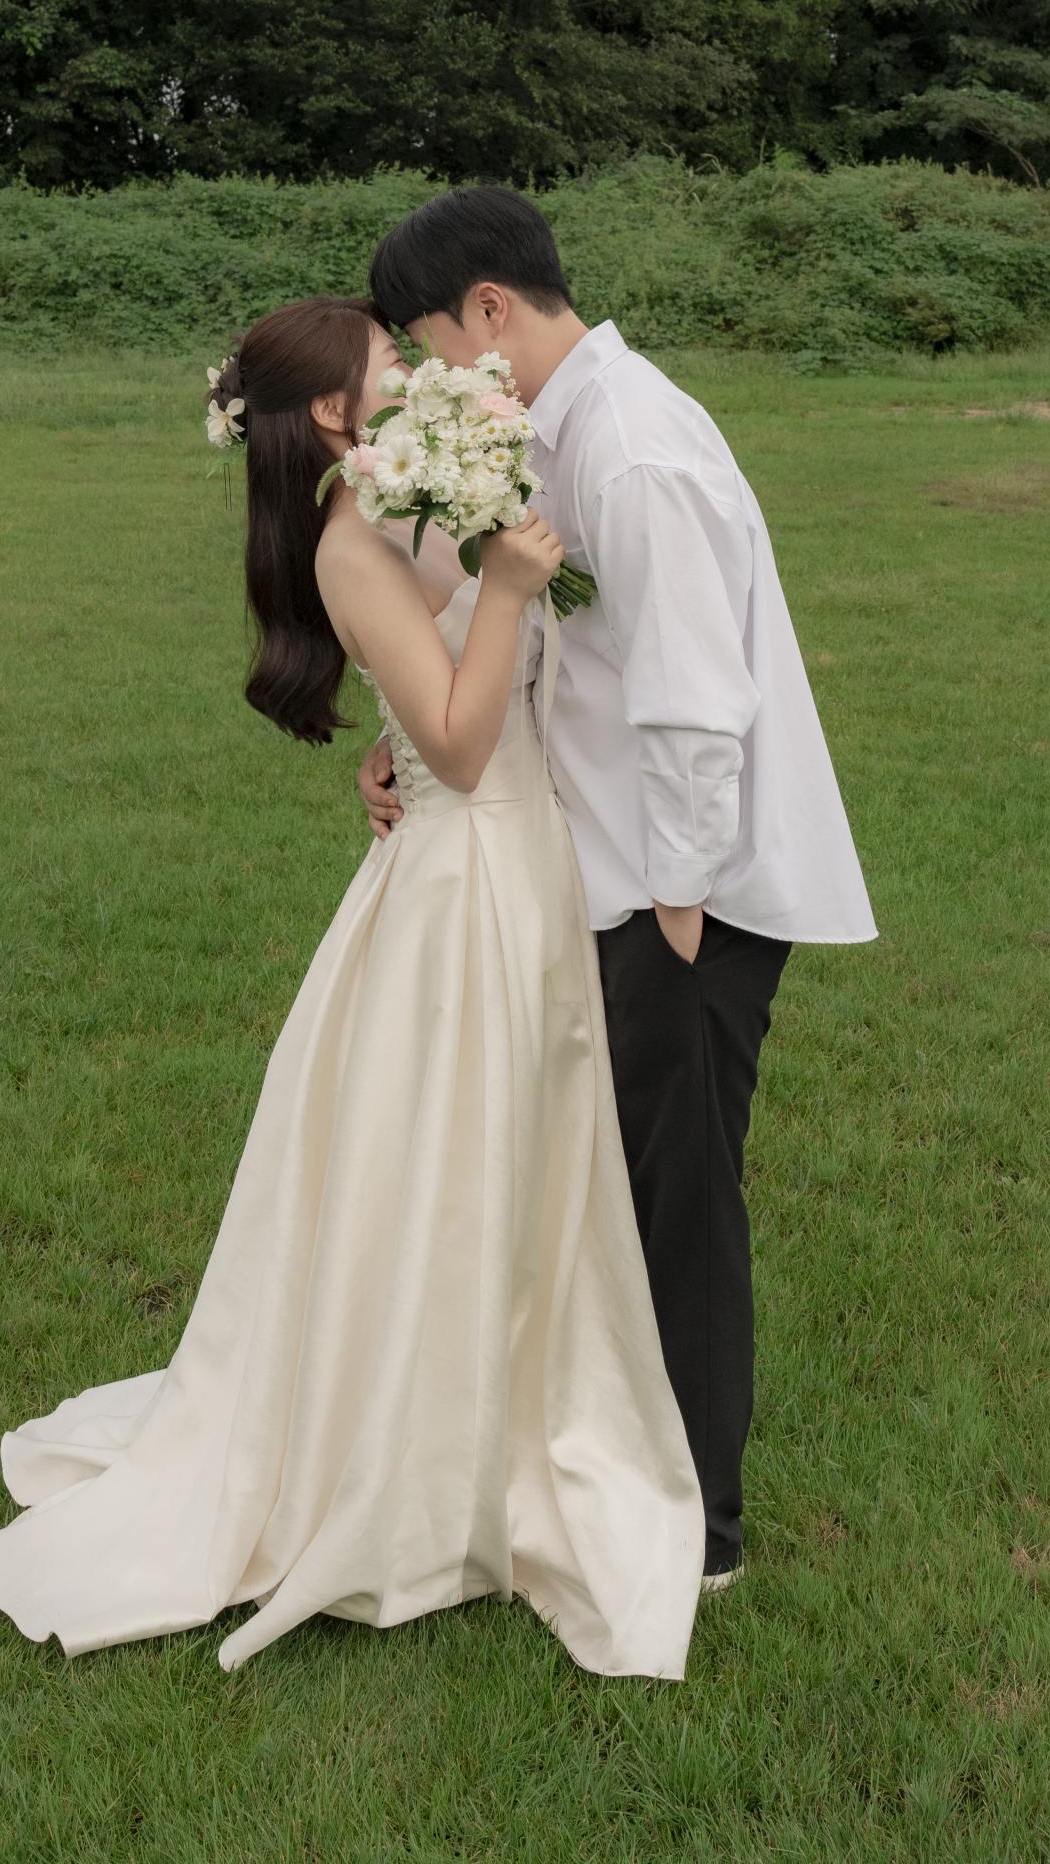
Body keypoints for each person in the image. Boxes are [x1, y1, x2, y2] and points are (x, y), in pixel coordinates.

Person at [0, 296, 705, 1678]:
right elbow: (460, 743)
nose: (416, 372)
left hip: (516, 859)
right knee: (454, 1153)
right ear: (335, 415)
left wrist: (417, 701)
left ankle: (511, 1397)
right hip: (470, 879)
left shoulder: (410, 499)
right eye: (388, 365)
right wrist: (506, 595)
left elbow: (439, 694)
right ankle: (423, 1450)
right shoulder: (351, 543)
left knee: (514, 1146)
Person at [364, 190, 878, 1584]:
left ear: (489, 308)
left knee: (678, 1199)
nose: (427, 375)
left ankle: (702, 1529)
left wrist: (681, 901)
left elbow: (697, 694)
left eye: (428, 341)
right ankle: (619, 1466)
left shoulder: (633, 444)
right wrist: (408, 734)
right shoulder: (562, 426)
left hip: (682, 893)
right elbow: (552, 635)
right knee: (621, 1190)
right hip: (621, 874)